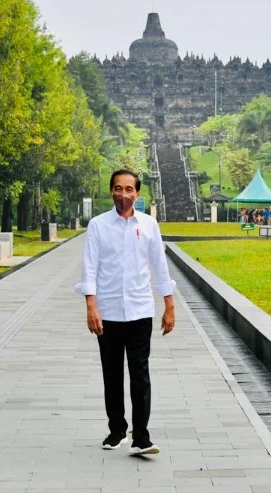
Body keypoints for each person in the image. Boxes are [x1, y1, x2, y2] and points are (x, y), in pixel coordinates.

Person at [75, 169, 176, 456]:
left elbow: (160, 266)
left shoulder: (149, 225)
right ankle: (117, 429)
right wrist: (90, 305)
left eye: (129, 189)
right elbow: (90, 267)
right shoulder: (98, 225)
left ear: (137, 194)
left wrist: (169, 305)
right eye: (118, 188)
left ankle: (141, 437)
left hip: (140, 309)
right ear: (111, 192)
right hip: (106, 311)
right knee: (112, 373)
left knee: (140, 373)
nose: (124, 194)